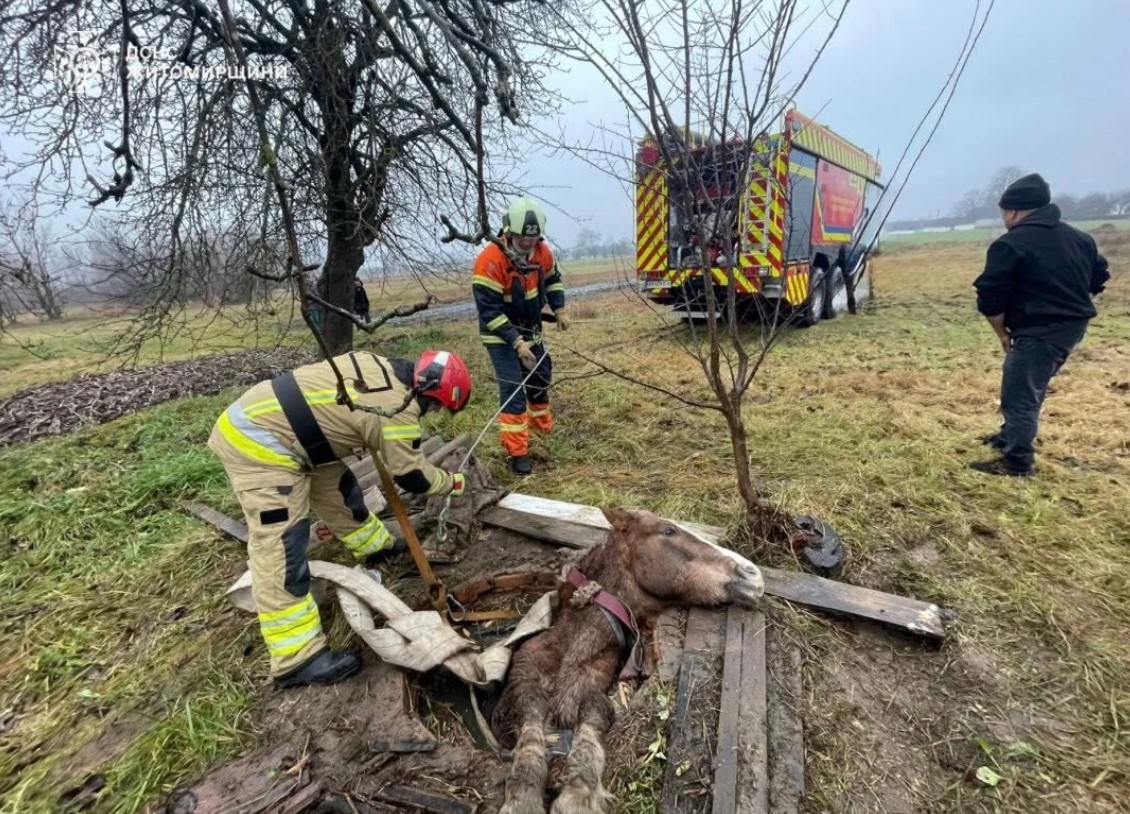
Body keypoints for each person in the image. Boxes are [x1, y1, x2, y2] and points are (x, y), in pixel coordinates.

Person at [208, 349, 472, 687]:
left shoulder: (382, 365)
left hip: (299, 435)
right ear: (430, 393)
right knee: (282, 544)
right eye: (436, 407)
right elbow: (414, 477)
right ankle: (297, 657)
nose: (432, 413)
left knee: (340, 490)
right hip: (260, 442)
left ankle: (376, 545)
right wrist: (453, 482)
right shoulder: (399, 410)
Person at [970, 173, 1110, 477]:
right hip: (1073, 327)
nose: (1004, 218)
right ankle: (1009, 437)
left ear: (1013, 211)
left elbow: (989, 294)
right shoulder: (1080, 238)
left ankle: (1018, 461)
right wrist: (1072, 302)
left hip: (1038, 330)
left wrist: (1001, 333)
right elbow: (1099, 275)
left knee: (1019, 394)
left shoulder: (1010, 244)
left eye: (1004, 212)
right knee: (1029, 383)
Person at [472, 197, 570, 476]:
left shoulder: (542, 252)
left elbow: (552, 279)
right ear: (509, 232)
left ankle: (542, 432)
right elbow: (488, 310)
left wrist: (559, 308)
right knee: (513, 388)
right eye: (522, 238)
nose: (528, 244)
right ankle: (518, 453)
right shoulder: (490, 261)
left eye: (534, 238)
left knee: (541, 375)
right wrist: (516, 342)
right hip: (499, 334)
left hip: (531, 327)